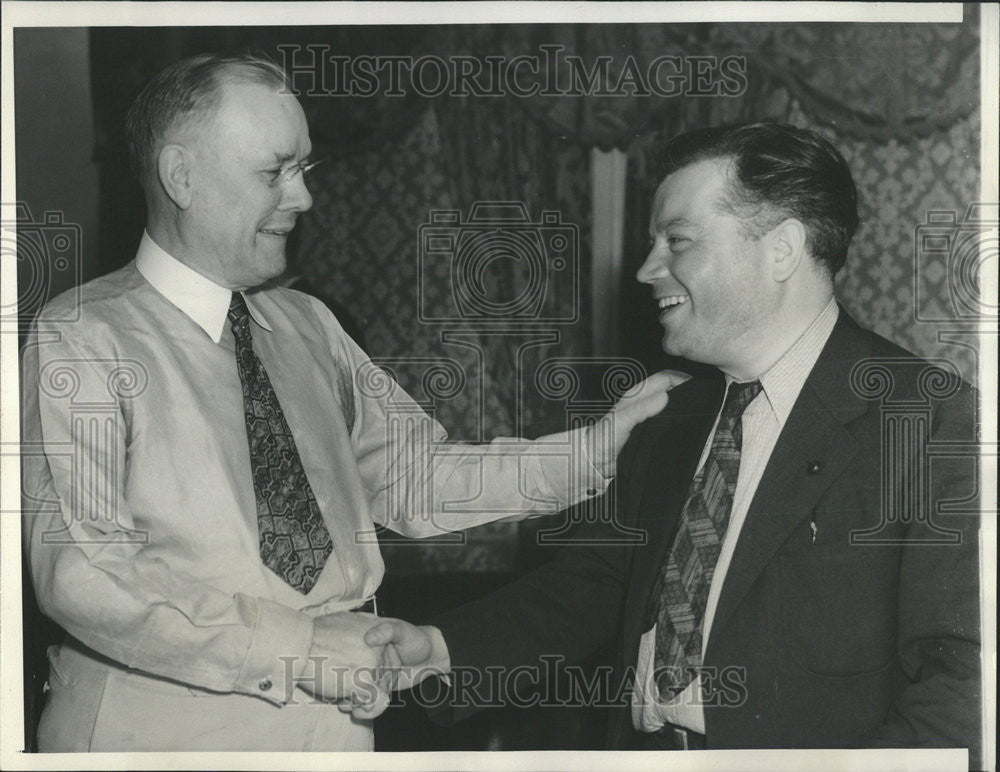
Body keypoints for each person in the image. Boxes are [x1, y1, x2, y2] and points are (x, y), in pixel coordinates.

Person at [19, 53, 683, 752]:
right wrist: (300, 647)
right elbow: (84, 573)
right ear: (182, 175)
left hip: (341, 725)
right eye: (274, 172)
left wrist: (593, 449)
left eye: (303, 170)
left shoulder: (309, 324)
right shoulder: (81, 337)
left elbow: (415, 477)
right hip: (159, 730)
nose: (302, 198)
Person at [365, 123, 983, 766]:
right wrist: (438, 648)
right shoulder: (669, 411)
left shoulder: (929, 417)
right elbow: (598, 583)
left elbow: (965, 679)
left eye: (677, 242)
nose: (645, 269)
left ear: (782, 249)